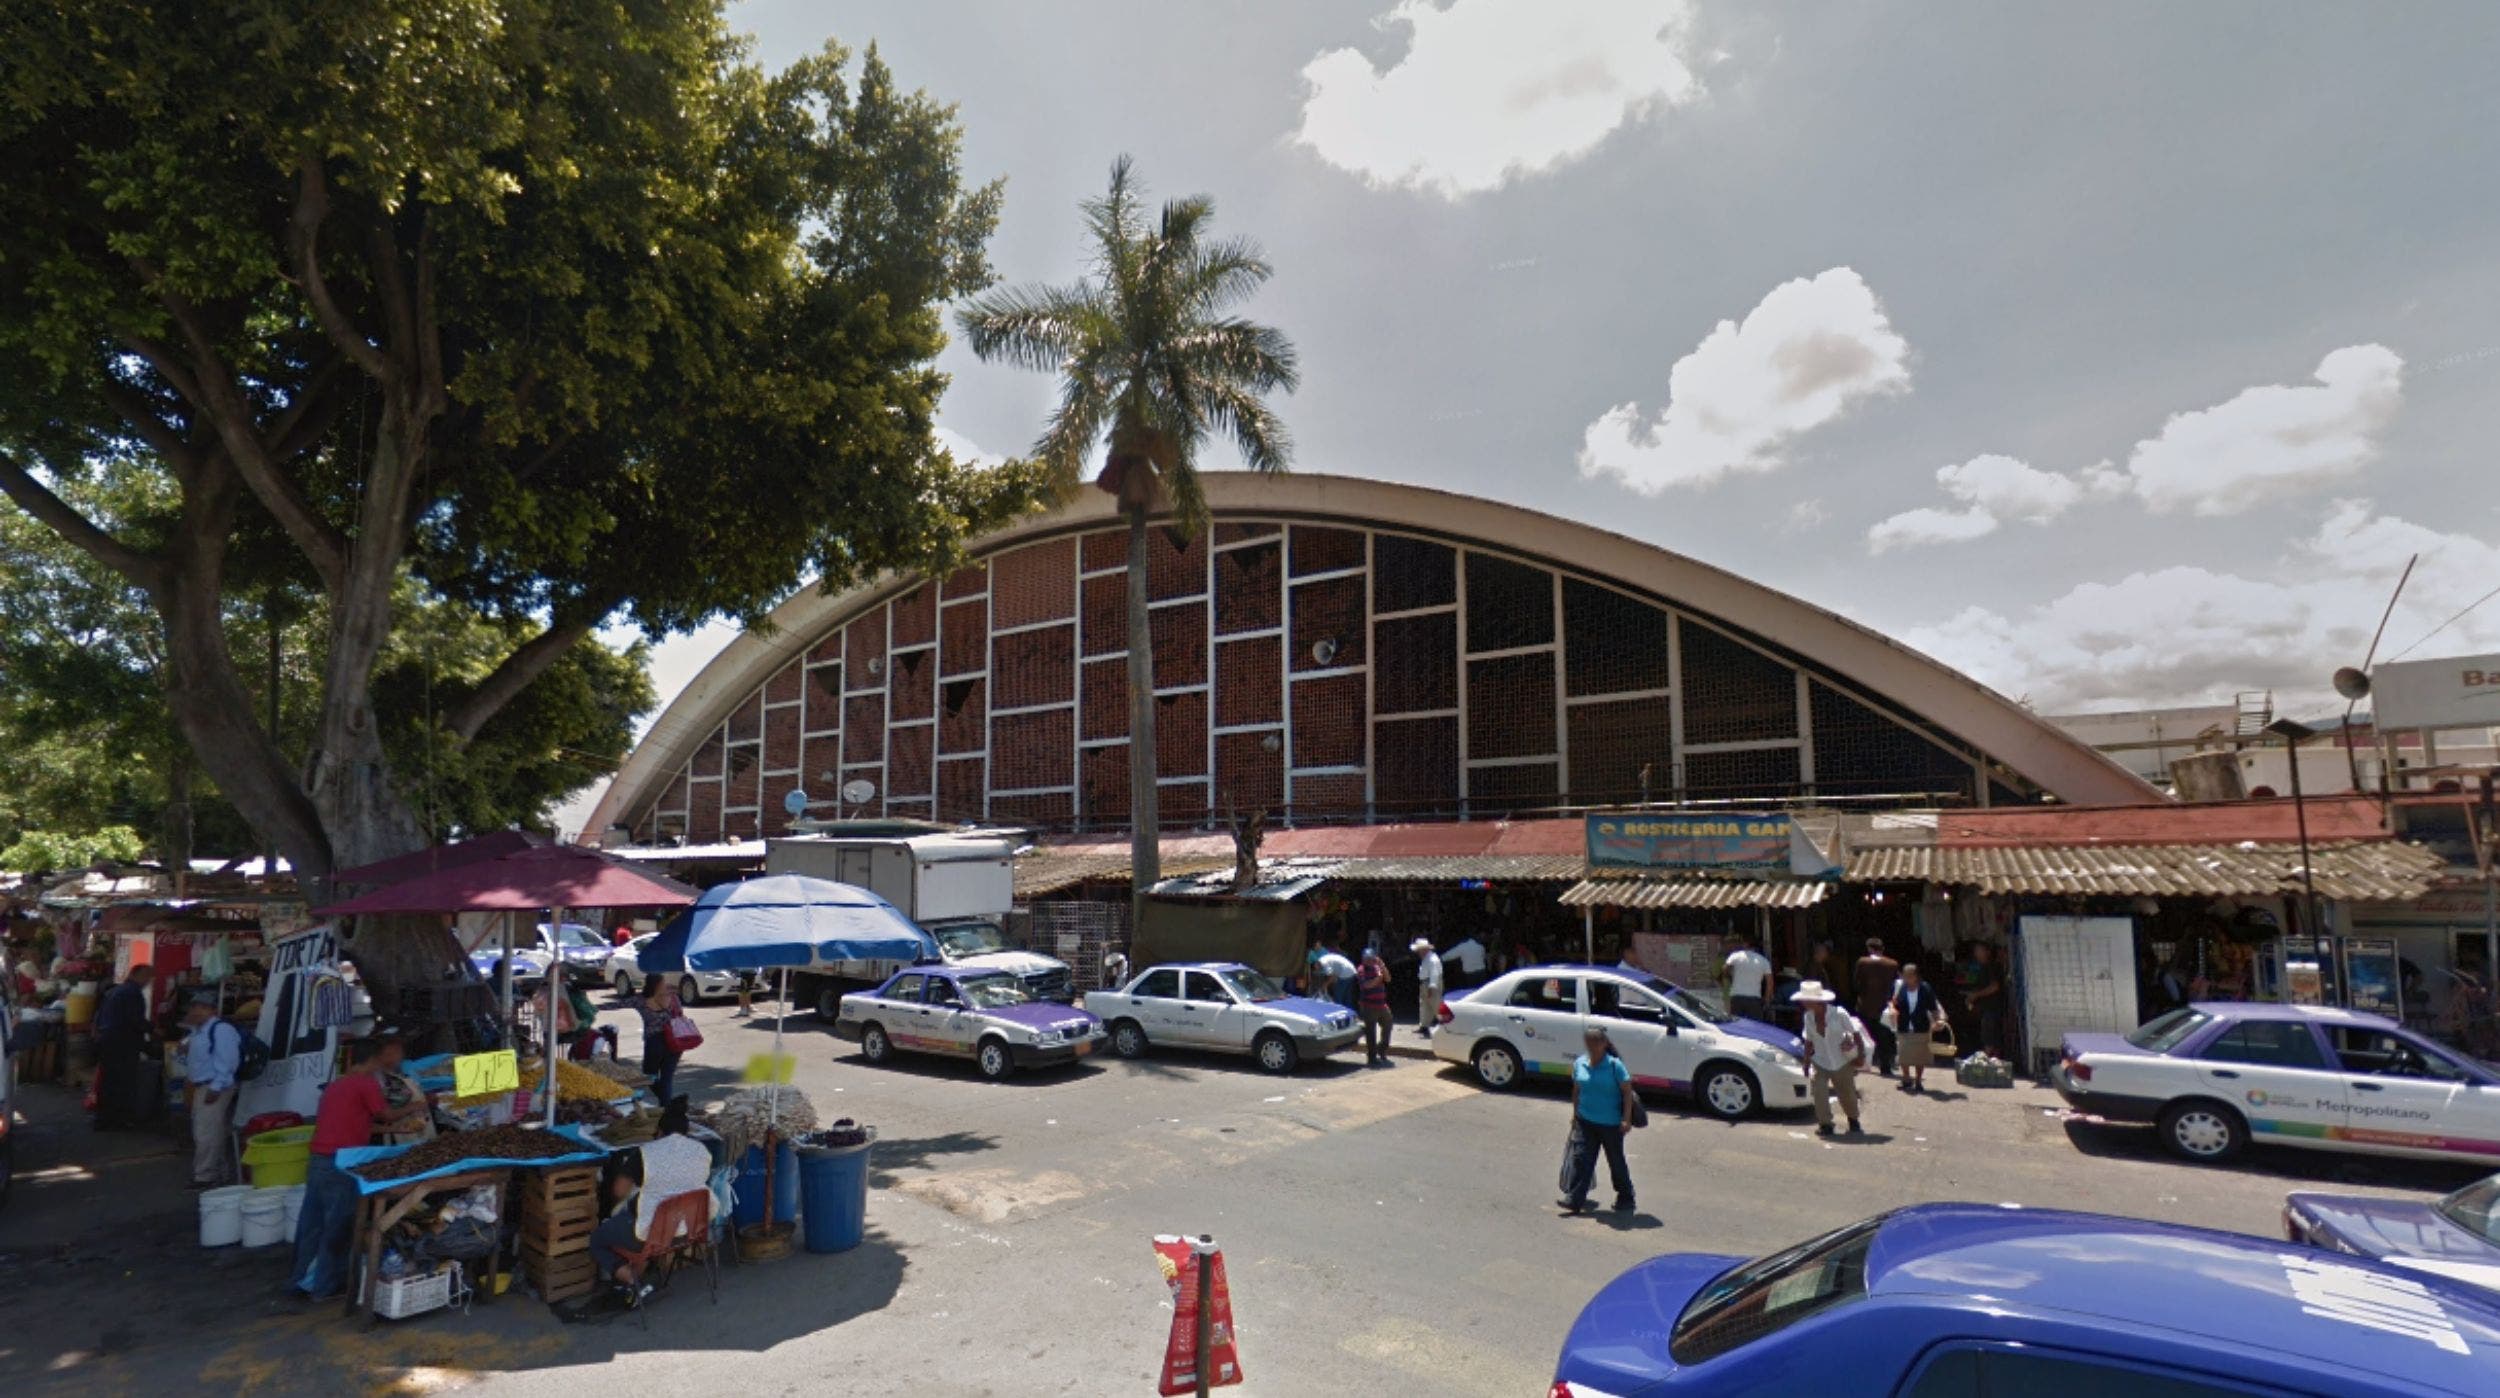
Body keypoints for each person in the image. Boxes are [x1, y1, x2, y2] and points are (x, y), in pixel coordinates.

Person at [291, 1032, 428, 1300]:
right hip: (342, 1163)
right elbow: (386, 1114)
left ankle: (298, 1281)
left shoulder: (337, 1085)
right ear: (375, 1059)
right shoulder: (366, 1083)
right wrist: (418, 1105)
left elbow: (358, 1122)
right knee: (339, 1228)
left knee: (312, 1225)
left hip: (318, 1160)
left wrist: (396, 1130)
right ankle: (325, 1287)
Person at [1559, 1025, 1637, 1215]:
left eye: (1595, 1043)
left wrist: (1626, 1120)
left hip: (1611, 1124)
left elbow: (1627, 1093)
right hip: (1585, 1121)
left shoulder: (1614, 1065)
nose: (1592, 1047)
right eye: (1589, 1043)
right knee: (1581, 1159)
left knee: (1616, 1162)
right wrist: (1575, 1115)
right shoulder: (1580, 1063)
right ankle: (1575, 1199)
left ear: (1604, 1043)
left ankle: (1626, 1196)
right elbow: (1577, 1091)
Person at [1793, 981, 1868, 1138]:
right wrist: (1806, 1062)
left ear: (1816, 1000)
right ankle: (1825, 1124)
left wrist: (1861, 1056)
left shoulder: (1839, 1014)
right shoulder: (1808, 1017)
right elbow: (1808, 1040)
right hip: (1820, 1061)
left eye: (1806, 1000)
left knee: (1847, 1094)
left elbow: (1856, 1034)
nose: (1803, 1003)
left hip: (1841, 1060)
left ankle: (1853, 1119)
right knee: (1819, 1093)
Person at [181, 995, 242, 1187]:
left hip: (215, 1086)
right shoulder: (198, 1031)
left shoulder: (221, 1030)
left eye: (202, 1007)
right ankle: (218, 1171)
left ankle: (205, 1175)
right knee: (212, 1130)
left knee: (205, 1132)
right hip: (202, 1086)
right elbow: (184, 1051)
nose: (196, 1012)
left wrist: (216, 1086)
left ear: (213, 1010)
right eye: (194, 1007)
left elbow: (228, 1060)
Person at [92, 964, 157, 1129]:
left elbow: (99, 1015)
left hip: (108, 1040)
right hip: (122, 1043)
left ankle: (104, 1118)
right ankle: (116, 1119)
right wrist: (153, 1029)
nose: (148, 981)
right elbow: (135, 1019)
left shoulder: (115, 991)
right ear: (136, 975)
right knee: (121, 1082)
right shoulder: (132, 993)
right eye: (147, 976)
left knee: (109, 1081)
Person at [1888, 964, 1945, 1094]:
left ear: (1916, 976)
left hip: (1921, 1026)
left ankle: (1918, 1080)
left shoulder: (1925, 988)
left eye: (1910, 976)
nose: (1907, 979)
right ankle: (1906, 1078)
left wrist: (1937, 1020)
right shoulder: (1901, 987)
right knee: (1903, 1055)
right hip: (1904, 1025)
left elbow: (1933, 1006)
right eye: (1905, 976)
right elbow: (1894, 1002)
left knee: (1920, 1056)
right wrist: (1892, 1008)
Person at [1852, 938, 1901, 1076]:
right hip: (1884, 1006)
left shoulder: (1863, 962)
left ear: (1869, 949)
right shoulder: (1892, 964)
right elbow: (1896, 985)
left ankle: (1862, 1063)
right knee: (1884, 1037)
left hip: (1865, 1005)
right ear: (1882, 949)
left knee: (1863, 1035)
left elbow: (1856, 983)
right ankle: (1885, 1067)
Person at [639, 979, 686, 1106]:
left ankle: (668, 1104)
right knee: (667, 1077)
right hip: (675, 1040)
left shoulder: (646, 999)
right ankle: (668, 1104)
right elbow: (680, 1014)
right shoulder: (673, 997)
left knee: (649, 1075)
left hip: (655, 1040)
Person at [1964, 942, 2006, 1057]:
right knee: (1991, 1036)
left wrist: (1976, 995)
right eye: (1976, 951)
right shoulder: (1982, 968)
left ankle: (1986, 1059)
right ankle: (1992, 1059)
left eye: (1980, 950)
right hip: (1986, 1008)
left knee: (1990, 1037)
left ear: (1987, 952)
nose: (1977, 953)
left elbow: (1994, 986)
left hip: (1992, 1008)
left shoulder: (1991, 966)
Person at [1356, 947, 1394, 1064]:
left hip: (1381, 1004)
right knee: (1371, 1032)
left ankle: (1382, 1049)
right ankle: (1372, 1057)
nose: (1370, 961)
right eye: (1367, 959)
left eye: (1371, 959)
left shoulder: (1377, 967)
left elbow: (1388, 979)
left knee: (1388, 1024)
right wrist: (1378, 978)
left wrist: (1383, 966)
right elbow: (1367, 985)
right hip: (1369, 1005)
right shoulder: (1361, 970)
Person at [1722, 937, 1773, 1021]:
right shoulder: (1764, 961)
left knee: (1737, 1024)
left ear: (1745, 944)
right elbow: (1770, 983)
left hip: (1737, 996)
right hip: (1754, 998)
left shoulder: (1735, 956)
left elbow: (1724, 969)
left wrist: (1731, 978)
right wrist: (1767, 1000)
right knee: (1755, 1025)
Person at [1411, 938, 1444, 1038]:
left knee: (1436, 1006)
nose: (1417, 952)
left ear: (1424, 949)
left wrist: (1431, 987)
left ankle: (1444, 1028)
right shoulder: (1427, 958)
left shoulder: (1432, 960)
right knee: (1424, 1005)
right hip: (1425, 983)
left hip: (1430, 983)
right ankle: (1424, 1027)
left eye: (1419, 950)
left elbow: (1434, 974)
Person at [1314, 943, 1358, 1010]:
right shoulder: (1323, 959)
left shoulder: (1324, 963)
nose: (1320, 970)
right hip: (1351, 970)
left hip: (1345, 973)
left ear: (1318, 964)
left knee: (1338, 994)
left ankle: (1338, 1011)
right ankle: (1349, 1012)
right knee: (1347, 996)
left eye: (1319, 969)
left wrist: (1325, 985)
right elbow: (1333, 976)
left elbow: (1332, 978)